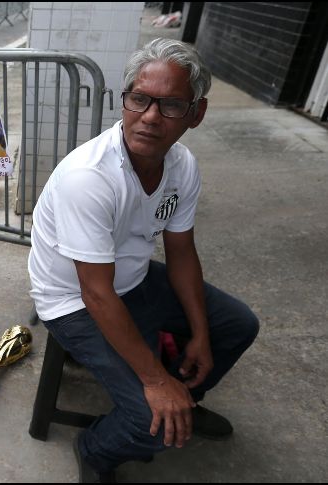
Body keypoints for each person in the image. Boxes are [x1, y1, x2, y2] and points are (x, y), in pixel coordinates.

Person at [28, 38, 259, 482]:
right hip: (74, 299)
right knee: (151, 426)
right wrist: (155, 381)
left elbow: (181, 251)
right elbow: (96, 293)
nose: (150, 117)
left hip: (132, 279)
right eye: (139, 99)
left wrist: (201, 335)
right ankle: (96, 448)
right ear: (125, 99)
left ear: (197, 113)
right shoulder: (89, 178)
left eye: (171, 105)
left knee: (238, 325)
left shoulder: (182, 166)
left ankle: (183, 401)